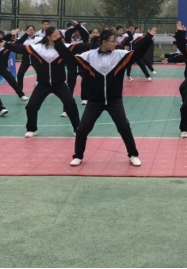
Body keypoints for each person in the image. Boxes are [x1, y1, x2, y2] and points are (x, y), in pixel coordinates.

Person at [56, 28, 159, 167]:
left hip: (114, 100)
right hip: (94, 101)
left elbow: (138, 53)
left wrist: (148, 37)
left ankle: (133, 154)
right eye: (113, 41)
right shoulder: (89, 56)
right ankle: (78, 156)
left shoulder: (120, 55)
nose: (116, 43)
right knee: (82, 129)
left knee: (123, 127)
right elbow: (69, 59)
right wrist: (57, 42)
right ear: (104, 42)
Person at [2, 28, 80, 137]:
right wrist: (6, 44)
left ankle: (77, 128)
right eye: (56, 34)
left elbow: (82, 47)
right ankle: (32, 129)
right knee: (31, 107)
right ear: (48, 36)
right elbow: (20, 48)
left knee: (70, 103)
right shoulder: (37, 48)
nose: (58, 36)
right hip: (42, 84)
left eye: (59, 34)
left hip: (60, 84)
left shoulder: (64, 48)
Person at [0, 29, 27, 103]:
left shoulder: (7, 46)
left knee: (12, 81)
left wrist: (26, 34)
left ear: (3, 38)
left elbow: (19, 42)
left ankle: (21, 95)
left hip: (3, 68)